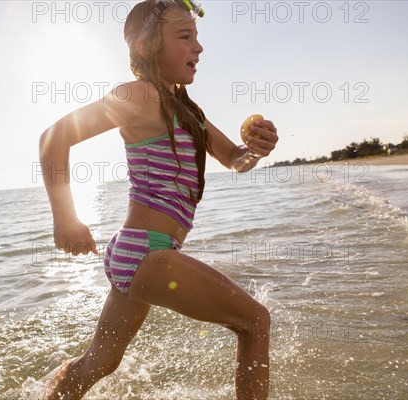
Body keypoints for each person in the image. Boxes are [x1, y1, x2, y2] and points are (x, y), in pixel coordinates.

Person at [38, 1, 278, 398]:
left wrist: (255, 149)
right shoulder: (139, 96)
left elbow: (234, 159)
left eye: (197, 37)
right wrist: (66, 218)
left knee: (100, 362)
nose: (198, 48)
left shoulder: (188, 111)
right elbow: (54, 138)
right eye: (185, 37)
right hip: (147, 254)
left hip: (137, 252)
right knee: (255, 322)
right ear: (148, 46)